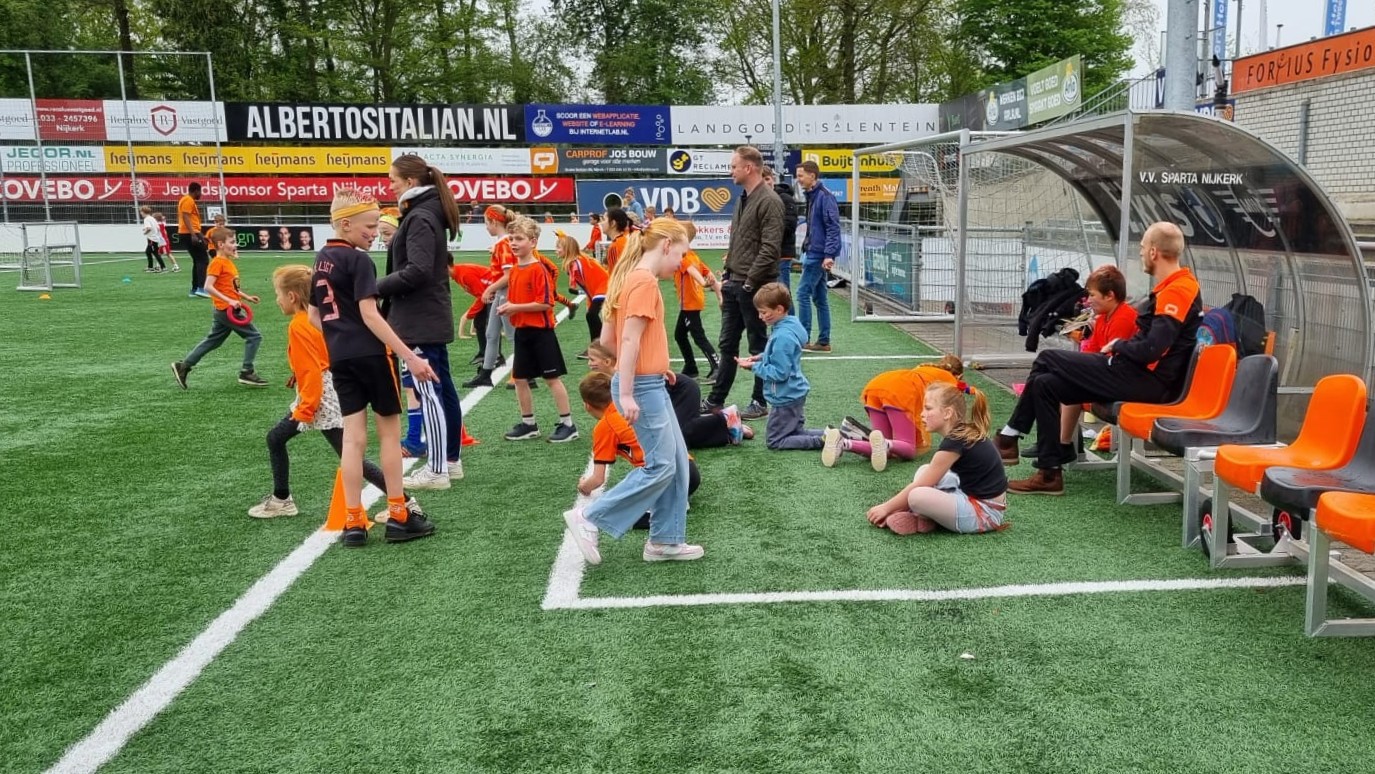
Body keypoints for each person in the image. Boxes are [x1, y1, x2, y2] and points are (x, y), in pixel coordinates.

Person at [995, 222, 1202, 495]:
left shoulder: (1178, 289)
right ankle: (1048, 473)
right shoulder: (1171, 287)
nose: (1140, 254)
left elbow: (1153, 348)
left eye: (1141, 248)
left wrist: (1119, 345)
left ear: (1153, 252)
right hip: (1137, 374)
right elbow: (1151, 343)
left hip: (1149, 382)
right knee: (1045, 383)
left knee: (1047, 358)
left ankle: (1009, 435)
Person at [562, 219, 703, 565]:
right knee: (661, 466)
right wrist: (625, 393)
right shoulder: (644, 282)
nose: (682, 262)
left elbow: (609, 339)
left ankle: (665, 541)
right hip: (641, 388)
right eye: (682, 254)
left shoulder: (630, 279)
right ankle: (590, 518)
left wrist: (655, 363)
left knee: (676, 465)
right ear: (666, 245)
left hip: (647, 382)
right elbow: (625, 341)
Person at [310, 189, 438, 546]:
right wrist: (409, 356)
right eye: (368, 226)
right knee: (387, 435)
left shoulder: (321, 259)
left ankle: (354, 520)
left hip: (340, 358)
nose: (373, 232)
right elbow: (369, 314)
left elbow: (313, 316)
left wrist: (340, 337)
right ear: (346, 224)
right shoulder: (358, 260)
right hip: (372, 354)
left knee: (352, 440)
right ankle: (399, 513)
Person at [248, 264, 424, 523]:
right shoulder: (320, 319)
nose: (277, 300)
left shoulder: (299, 325)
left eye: (278, 294)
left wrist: (304, 411)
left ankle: (405, 502)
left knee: (343, 455)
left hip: (320, 399)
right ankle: (281, 498)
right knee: (281, 440)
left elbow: (311, 373)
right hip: (329, 391)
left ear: (292, 296)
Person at [377, 153, 465, 490]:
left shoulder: (421, 216)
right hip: (425, 314)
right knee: (441, 390)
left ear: (411, 182)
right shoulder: (426, 212)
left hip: (419, 316)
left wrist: (373, 288)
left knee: (429, 392)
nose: (390, 184)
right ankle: (450, 462)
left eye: (393, 179)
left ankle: (438, 469)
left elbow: (416, 271)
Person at [1023, 265, 1140, 461]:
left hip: (1123, 382)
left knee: (1062, 381)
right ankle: (1058, 443)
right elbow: (1090, 353)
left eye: (1092, 295)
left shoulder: (1124, 317)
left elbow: (1111, 361)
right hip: (1110, 376)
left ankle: (1060, 444)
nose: (1087, 300)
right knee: (1052, 381)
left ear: (1109, 295)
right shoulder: (1103, 317)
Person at [866, 381, 1009, 536]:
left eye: (928, 408)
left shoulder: (955, 442)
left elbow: (921, 485)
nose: (922, 414)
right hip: (972, 496)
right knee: (924, 470)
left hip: (984, 514)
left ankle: (921, 514)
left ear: (947, 413)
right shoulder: (961, 433)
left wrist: (886, 507)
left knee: (917, 496)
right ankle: (925, 517)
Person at [703, 145, 783, 420]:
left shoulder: (770, 200)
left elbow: (770, 248)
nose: (731, 171)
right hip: (736, 283)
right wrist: (727, 275)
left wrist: (749, 282)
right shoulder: (744, 198)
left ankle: (760, 401)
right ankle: (716, 400)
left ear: (748, 168)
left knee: (758, 346)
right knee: (727, 344)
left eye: (734, 166)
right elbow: (739, 242)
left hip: (754, 287)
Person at [498, 216, 578, 443]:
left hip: (541, 333)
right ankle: (529, 423)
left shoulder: (538, 269)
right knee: (520, 379)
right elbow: (517, 300)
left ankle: (568, 424)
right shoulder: (514, 270)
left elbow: (546, 302)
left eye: (519, 239)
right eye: (511, 238)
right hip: (522, 332)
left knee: (552, 379)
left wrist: (514, 307)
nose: (514, 243)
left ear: (533, 242)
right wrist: (509, 309)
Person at [586, 340, 750, 449]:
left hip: (683, 391)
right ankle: (716, 421)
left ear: (607, 362)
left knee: (678, 438)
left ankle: (725, 420)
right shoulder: (615, 377)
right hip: (673, 397)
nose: (589, 364)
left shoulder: (623, 373)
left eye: (592, 360)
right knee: (670, 437)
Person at [577, 371, 702, 505]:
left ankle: (666, 502)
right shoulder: (636, 405)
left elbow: (597, 479)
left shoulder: (605, 426)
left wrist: (584, 487)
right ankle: (673, 498)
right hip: (689, 469)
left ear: (587, 405)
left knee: (623, 513)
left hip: (665, 476)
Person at [821, 354, 963, 471]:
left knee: (885, 450)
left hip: (877, 385)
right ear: (959, 376)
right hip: (900, 392)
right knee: (908, 448)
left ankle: (843, 443)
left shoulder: (925, 368)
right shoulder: (950, 381)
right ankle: (855, 438)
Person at [171, 227, 267, 389]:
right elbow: (208, 286)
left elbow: (231, 288)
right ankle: (246, 371)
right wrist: (229, 301)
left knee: (213, 341)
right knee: (254, 336)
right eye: (232, 242)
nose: (235, 245)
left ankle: (183, 366)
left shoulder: (228, 263)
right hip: (226, 310)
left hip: (226, 309)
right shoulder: (217, 263)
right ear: (221, 244)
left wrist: (246, 297)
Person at [737, 283, 826, 451]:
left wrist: (754, 367)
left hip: (786, 396)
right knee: (797, 431)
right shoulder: (790, 324)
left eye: (764, 312)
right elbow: (784, 355)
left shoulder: (782, 336)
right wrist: (761, 357)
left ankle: (823, 441)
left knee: (775, 441)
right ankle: (831, 434)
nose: (760, 317)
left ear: (779, 309)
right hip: (794, 391)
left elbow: (779, 373)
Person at [467, 203, 519, 387]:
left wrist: (489, 289)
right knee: (491, 334)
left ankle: (520, 374)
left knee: (511, 335)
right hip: (501, 292)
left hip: (506, 293)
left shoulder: (503, 245)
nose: (486, 227)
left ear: (495, 222)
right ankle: (486, 373)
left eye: (487, 223)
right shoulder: (503, 243)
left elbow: (508, 275)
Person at [796, 159, 839, 352]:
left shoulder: (824, 196)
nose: (798, 180)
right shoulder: (814, 196)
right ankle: (823, 341)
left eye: (800, 176)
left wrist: (829, 254)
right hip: (814, 252)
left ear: (812, 176)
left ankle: (804, 338)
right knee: (820, 298)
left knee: (802, 293)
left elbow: (832, 227)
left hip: (817, 253)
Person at [673, 221, 721, 381]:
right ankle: (691, 366)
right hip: (691, 302)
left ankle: (717, 365)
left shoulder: (684, 257)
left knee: (698, 336)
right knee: (680, 334)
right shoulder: (693, 255)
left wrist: (702, 282)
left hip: (689, 304)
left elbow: (693, 271)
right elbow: (707, 272)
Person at [557, 231, 609, 353]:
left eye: (559, 247)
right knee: (592, 315)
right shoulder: (575, 262)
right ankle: (599, 346)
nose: (556, 250)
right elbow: (586, 284)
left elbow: (587, 280)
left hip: (605, 287)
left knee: (591, 315)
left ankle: (599, 347)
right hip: (598, 290)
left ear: (567, 249)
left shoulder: (577, 261)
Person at [763, 167, 798, 290]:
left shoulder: (785, 198)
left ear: (773, 179)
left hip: (782, 253)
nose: (765, 182)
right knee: (771, 295)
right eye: (761, 179)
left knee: (782, 294)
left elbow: (790, 226)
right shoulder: (760, 199)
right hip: (767, 253)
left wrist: (768, 234)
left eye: (767, 178)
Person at [177, 182, 210, 298]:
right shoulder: (188, 200)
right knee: (203, 260)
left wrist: (201, 236)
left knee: (197, 261)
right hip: (189, 234)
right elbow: (186, 217)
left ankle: (195, 289)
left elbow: (193, 221)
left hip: (191, 233)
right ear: (196, 191)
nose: (200, 194)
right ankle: (201, 288)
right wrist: (193, 234)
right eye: (200, 192)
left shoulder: (188, 200)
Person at [602, 207, 631, 271]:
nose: (602, 223)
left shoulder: (615, 246)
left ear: (613, 223)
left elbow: (614, 275)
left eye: (604, 219)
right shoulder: (625, 239)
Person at [141, 205, 165, 273]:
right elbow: (157, 228)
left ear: (143, 212)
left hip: (152, 239)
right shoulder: (152, 218)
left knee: (155, 253)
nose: (141, 213)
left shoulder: (146, 219)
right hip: (154, 238)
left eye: (141, 212)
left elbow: (149, 228)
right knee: (148, 252)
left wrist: (145, 232)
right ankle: (150, 267)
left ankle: (163, 267)